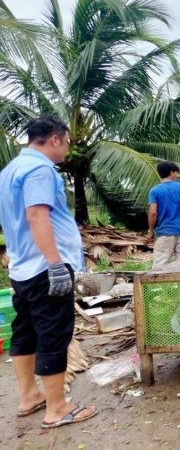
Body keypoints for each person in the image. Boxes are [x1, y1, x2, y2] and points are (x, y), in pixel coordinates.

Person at [0, 116, 98, 428]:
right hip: (44, 267)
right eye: (67, 142)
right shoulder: (40, 169)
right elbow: (36, 214)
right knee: (53, 333)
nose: (68, 149)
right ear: (54, 139)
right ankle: (56, 407)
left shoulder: (9, 171)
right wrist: (55, 264)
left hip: (22, 267)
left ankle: (29, 395)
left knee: (25, 331)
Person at [147, 161, 180, 268]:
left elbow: (153, 212)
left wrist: (151, 231)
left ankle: (159, 284)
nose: (176, 175)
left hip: (164, 232)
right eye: (175, 172)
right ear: (171, 172)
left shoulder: (154, 191)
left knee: (160, 264)